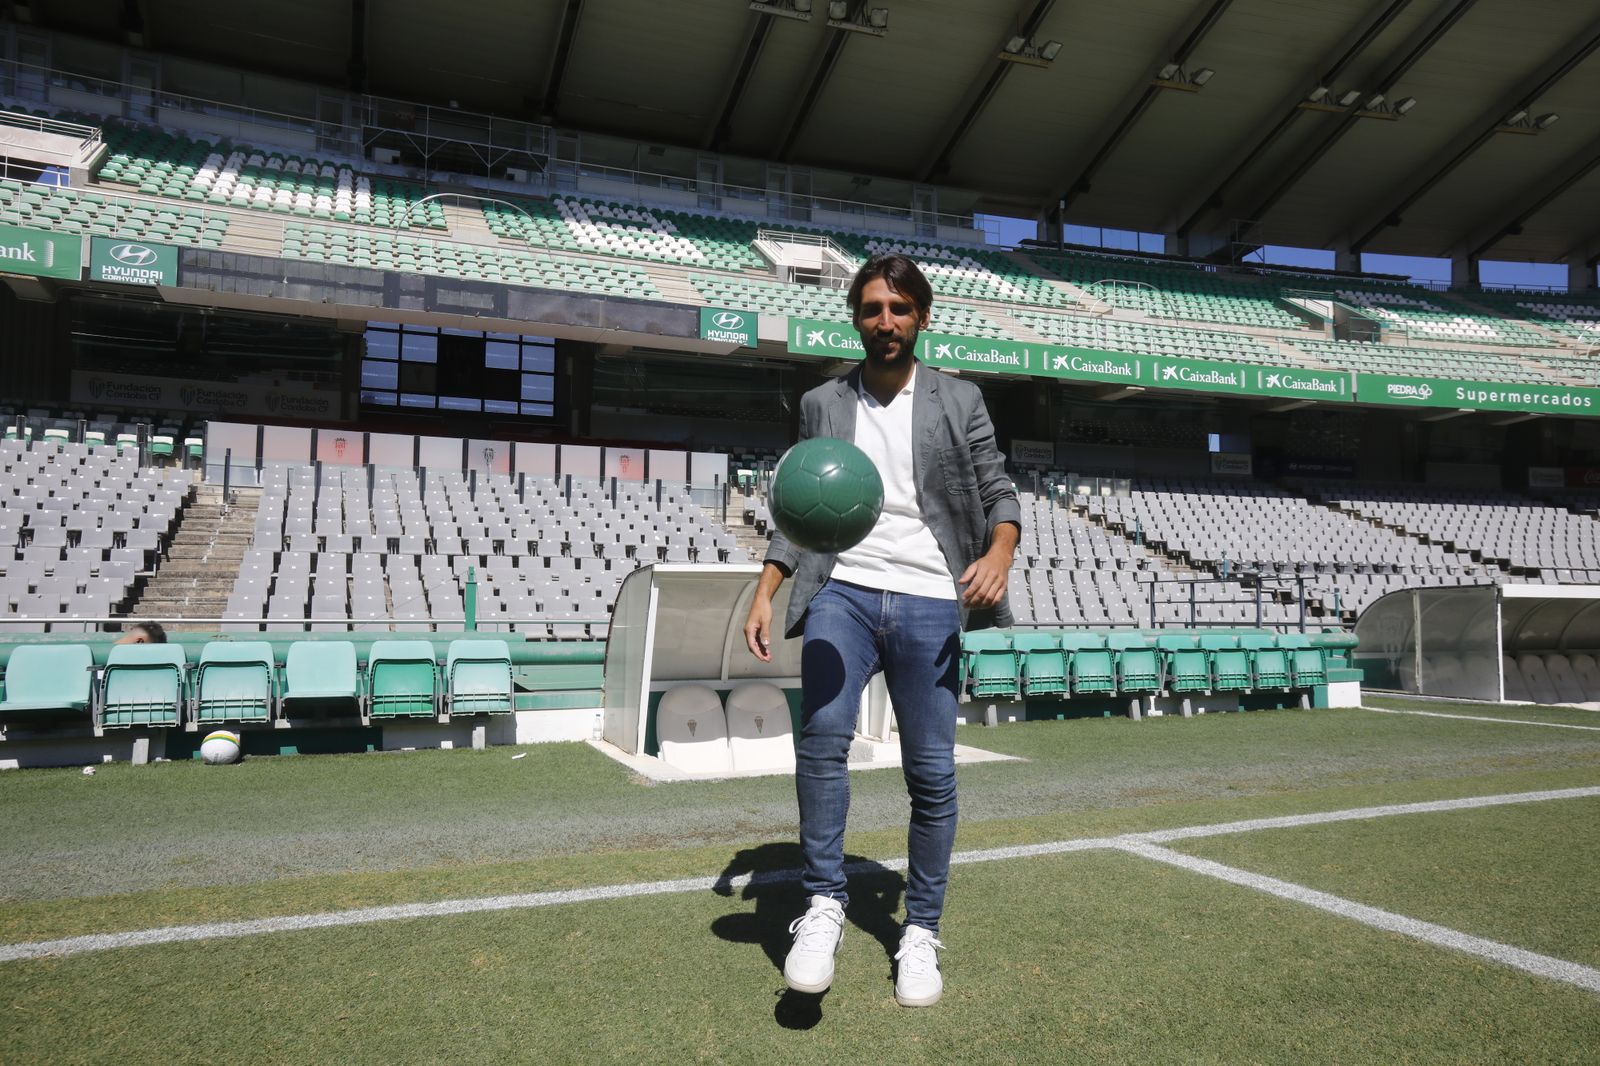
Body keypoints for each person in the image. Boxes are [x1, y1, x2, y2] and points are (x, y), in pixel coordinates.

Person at [743, 253, 1019, 1007]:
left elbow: (997, 488)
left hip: (934, 596)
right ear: (855, 318)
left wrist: (998, 553)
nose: (885, 322)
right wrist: (767, 589)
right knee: (823, 737)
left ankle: (921, 930)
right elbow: (800, 513)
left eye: (899, 309)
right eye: (872, 309)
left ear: (921, 317)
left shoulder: (959, 399)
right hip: (844, 591)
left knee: (931, 772)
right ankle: (824, 903)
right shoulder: (821, 402)